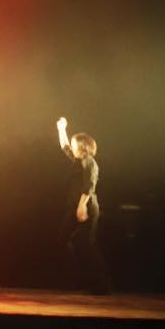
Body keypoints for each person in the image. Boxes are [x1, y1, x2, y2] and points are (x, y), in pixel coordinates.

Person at [56, 116, 111, 294]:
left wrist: (82, 206)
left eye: (74, 144)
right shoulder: (78, 161)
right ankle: (78, 279)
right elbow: (64, 147)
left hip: (86, 206)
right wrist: (61, 129)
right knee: (65, 240)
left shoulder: (89, 162)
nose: (71, 147)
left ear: (82, 146)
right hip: (75, 206)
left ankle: (101, 285)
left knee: (86, 243)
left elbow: (89, 186)